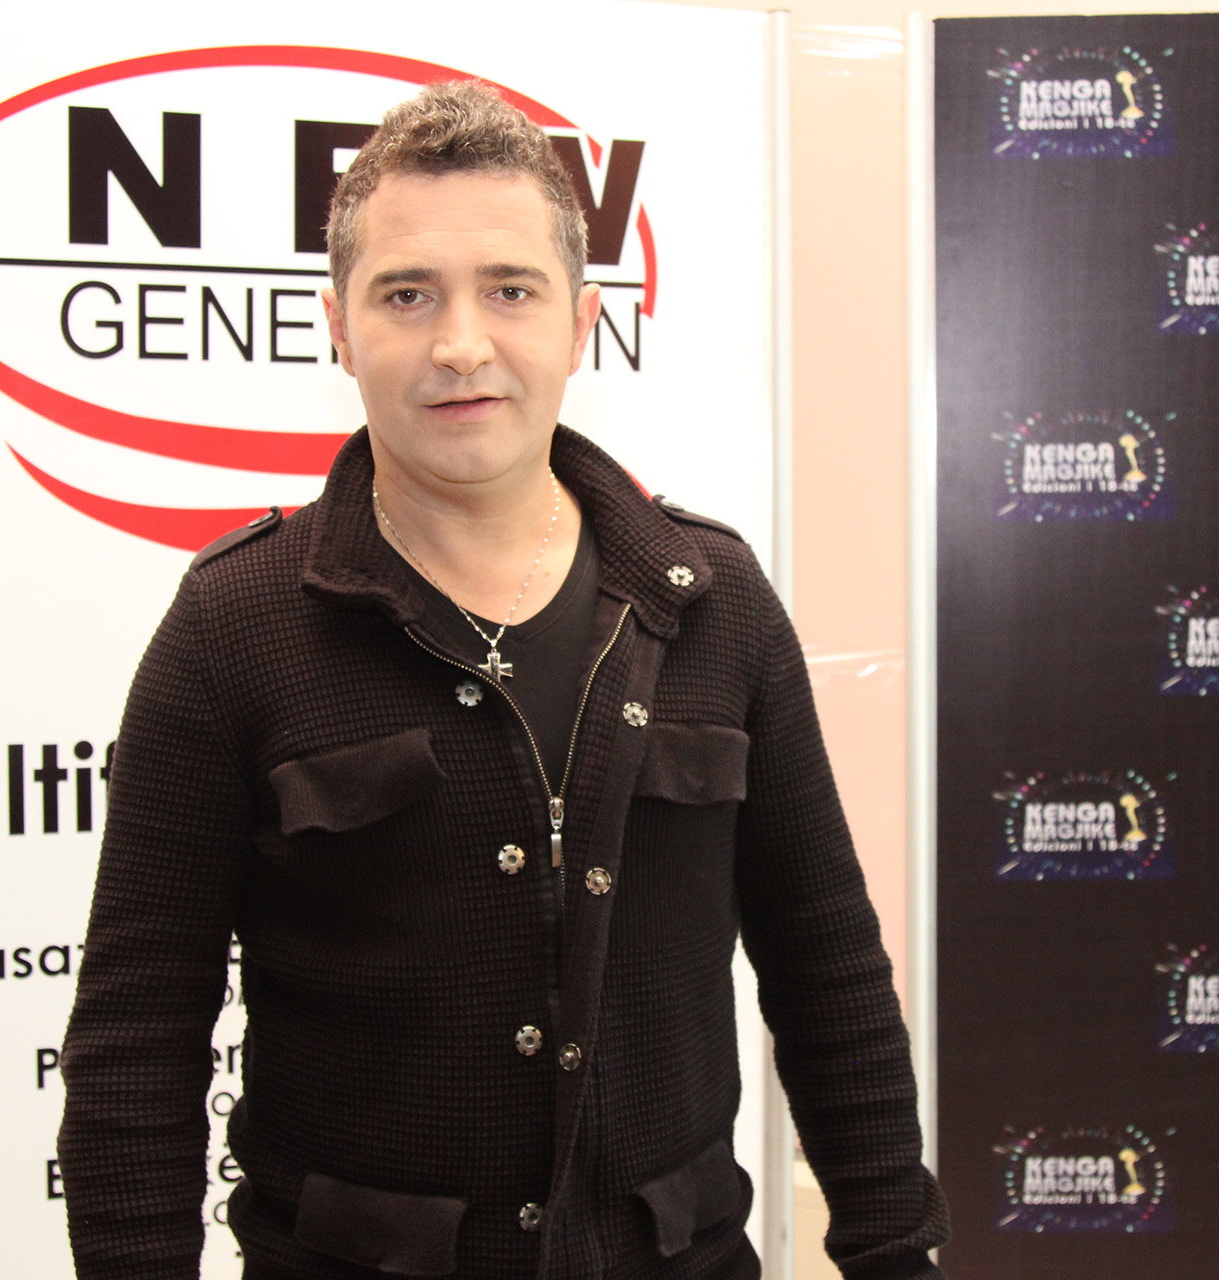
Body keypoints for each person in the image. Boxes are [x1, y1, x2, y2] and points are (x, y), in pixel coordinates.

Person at [57, 80, 947, 1280]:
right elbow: (136, 1041)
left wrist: (897, 1254)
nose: (461, 344)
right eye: (407, 294)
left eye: (510, 290)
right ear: (337, 327)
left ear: (581, 323)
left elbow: (827, 967)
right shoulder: (234, 629)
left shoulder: (714, 601)